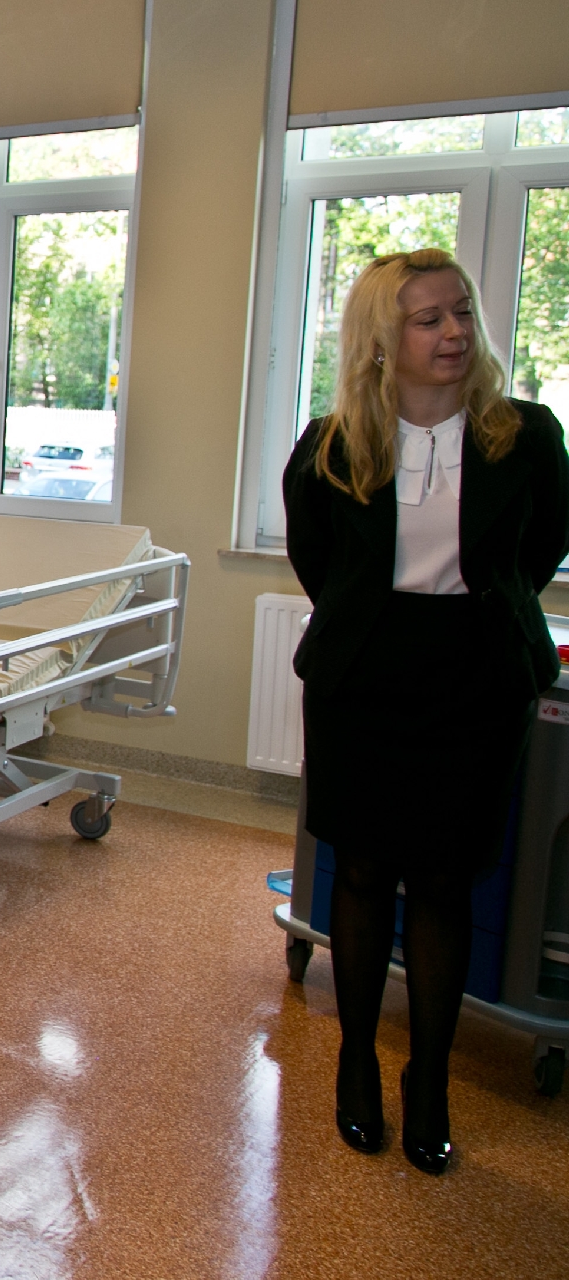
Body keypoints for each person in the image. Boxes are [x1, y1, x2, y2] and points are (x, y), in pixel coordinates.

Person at [285, 248, 569, 1175]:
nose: (453, 333)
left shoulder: (526, 436)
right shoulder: (331, 445)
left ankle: (431, 1077)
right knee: (364, 873)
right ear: (382, 339)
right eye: (428, 319)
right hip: (365, 677)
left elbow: (539, 551)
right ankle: (358, 1060)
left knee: (446, 881)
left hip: (477, 676)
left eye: (461, 314)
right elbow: (322, 564)